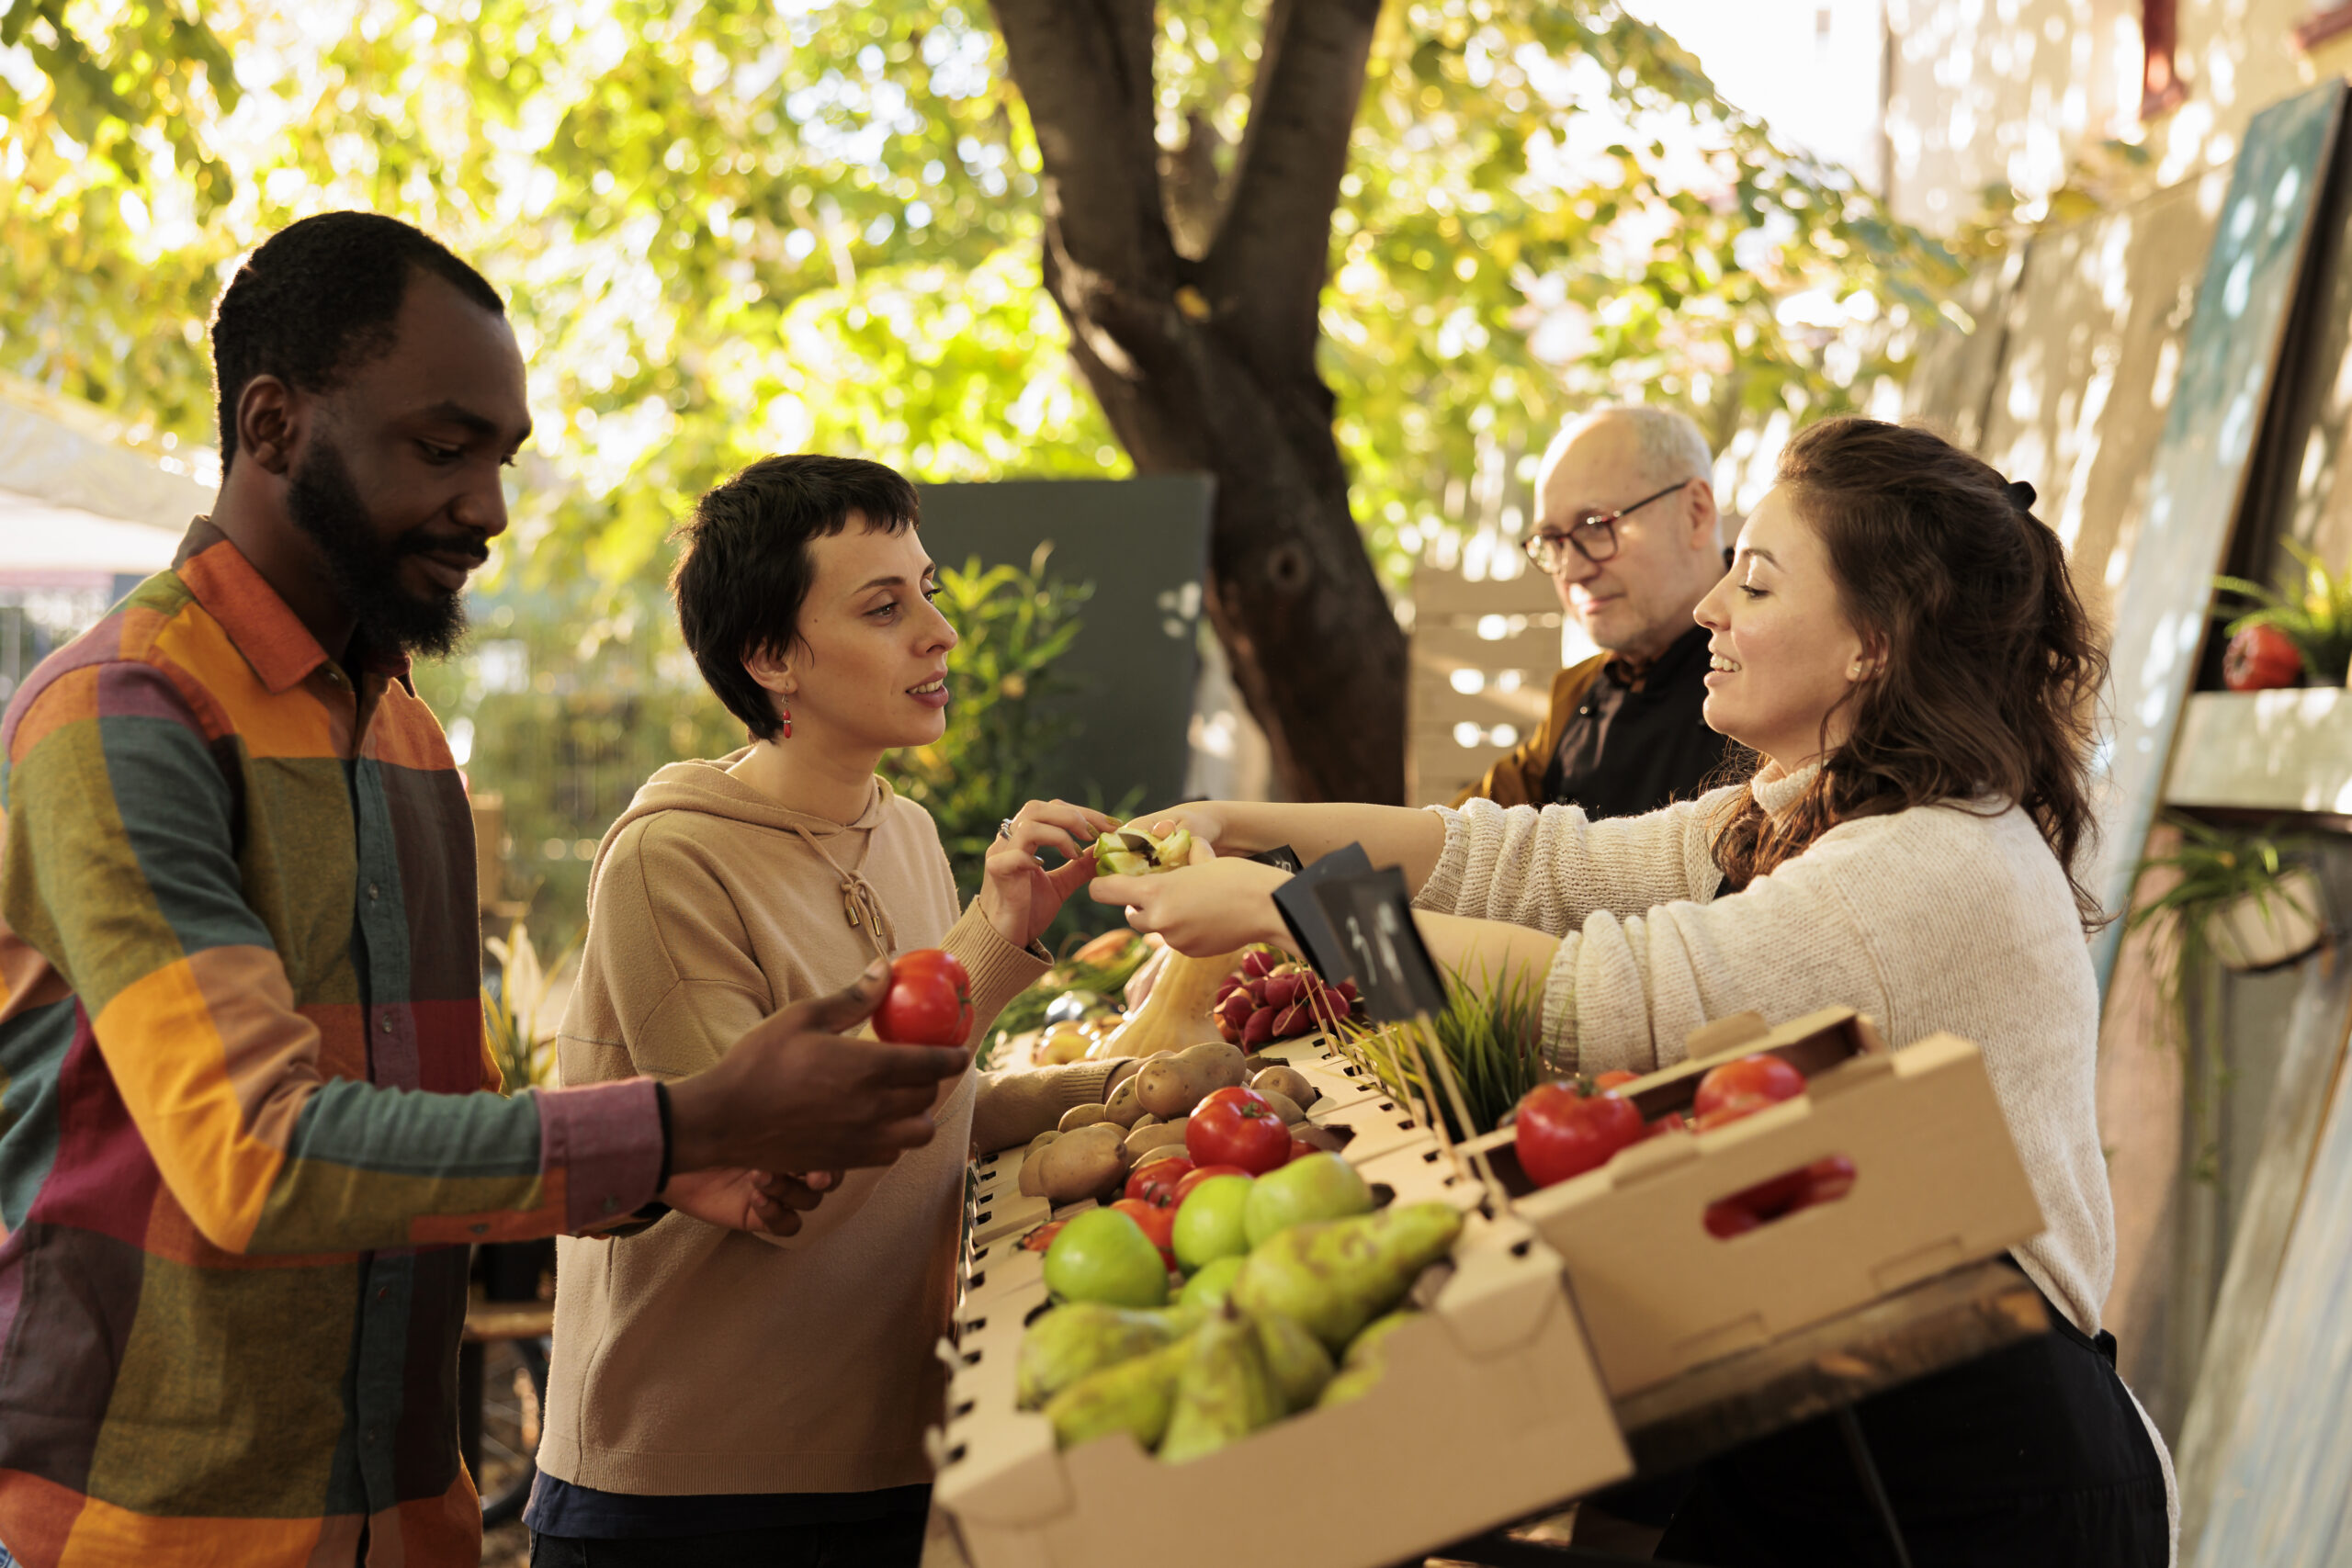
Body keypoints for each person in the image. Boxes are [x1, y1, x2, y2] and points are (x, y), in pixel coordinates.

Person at [0, 215, 968, 1568]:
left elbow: (422, 1133)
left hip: (408, 1519)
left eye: (499, 460)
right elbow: (254, 1152)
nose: (491, 509)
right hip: (150, 1531)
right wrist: (684, 1120)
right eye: (442, 449)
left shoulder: (402, 738)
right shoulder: (123, 712)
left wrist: (673, 1170)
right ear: (273, 424)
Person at [1096, 416, 2176, 1566]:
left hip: (1985, 1472)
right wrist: (1240, 825)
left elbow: (1601, 1002)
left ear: (1874, 640)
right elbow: (1524, 863)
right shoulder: (1804, 806)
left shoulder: (1922, 863)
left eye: (1754, 587)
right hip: (1835, 1401)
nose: (1713, 609)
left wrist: (1288, 916)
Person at [525, 456, 1132, 1568]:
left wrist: (1112, 1093)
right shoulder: (671, 859)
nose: (939, 632)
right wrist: (985, 946)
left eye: (928, 590)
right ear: (769, 659)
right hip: (694, 1486)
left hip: (889, 1446)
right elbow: (777, 1157)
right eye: (883, 606)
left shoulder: (901, 833)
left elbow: (931, 1111)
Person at [1455, 404, 1732, 817]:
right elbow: (1456, 833)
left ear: (1695, 512)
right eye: (1552, 540)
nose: (1572, 570)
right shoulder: (1577, 694)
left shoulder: (1788, 673)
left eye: (1595, 525)